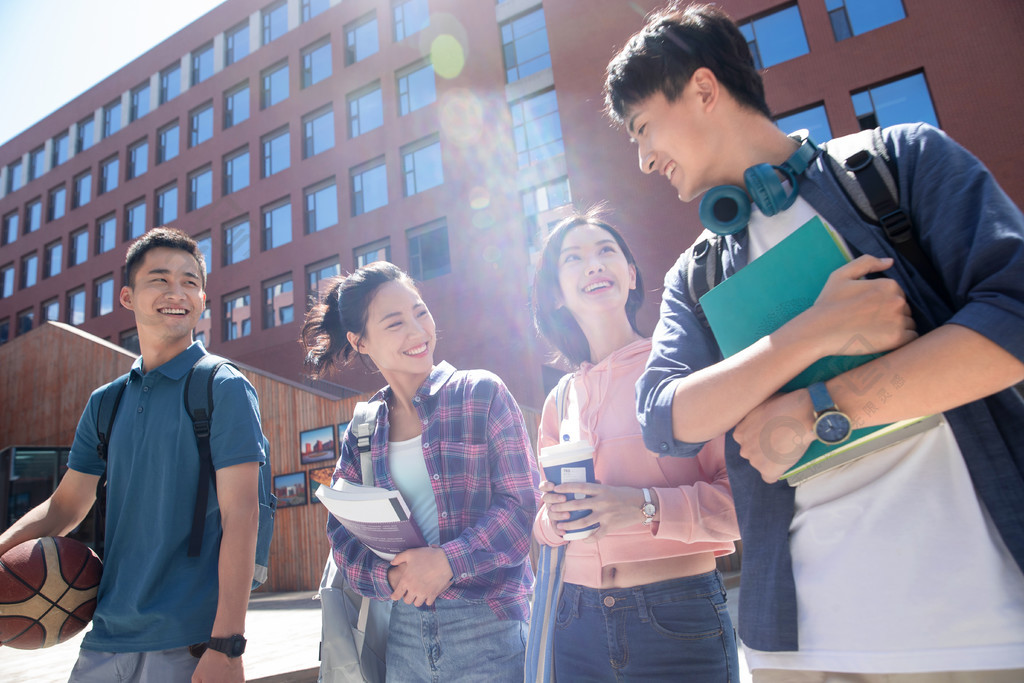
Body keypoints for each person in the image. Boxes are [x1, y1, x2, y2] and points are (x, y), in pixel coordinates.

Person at [603, 3, 1024, 681]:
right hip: (795, 652)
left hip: (983, 630)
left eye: (645, 128)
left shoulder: (899, 163)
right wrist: (813, 333)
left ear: (705, 90)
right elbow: (663, 416)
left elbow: (1014, 313)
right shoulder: (695, 274)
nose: (646, 158)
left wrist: (814, 411)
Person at [0, 227, 265, 682]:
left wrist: (227, 644)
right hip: (104, 634)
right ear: (127, 297)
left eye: (189, 281)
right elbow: (65, 506)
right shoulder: (107, 401)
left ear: (202, 298)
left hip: (189, 640)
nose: (176, 292)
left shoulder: (223, 386)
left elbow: (242, 515)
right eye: (159, 279)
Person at [301, 261, 540, 682]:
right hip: (404, 636)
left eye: (420, 312)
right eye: (395, 323)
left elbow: (522, 509)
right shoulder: (363, 427)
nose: (418, 331)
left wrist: (448, 561)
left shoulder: (480, 393)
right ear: (360, 341)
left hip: (491, 628)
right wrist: (389, 576)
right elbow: (341, 534)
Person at [531, 210, 741, 682]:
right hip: (572, 622)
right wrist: (553, 520)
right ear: (556, 295)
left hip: (676, 614)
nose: (593, 264)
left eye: (607, 250)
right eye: (574, 258)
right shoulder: (558, 399)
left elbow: (744, 500)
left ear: (630, 275)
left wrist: (644, 507)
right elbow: (544, 522)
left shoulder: (683, 368)